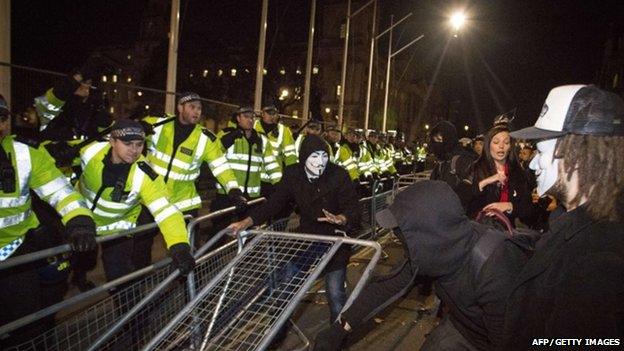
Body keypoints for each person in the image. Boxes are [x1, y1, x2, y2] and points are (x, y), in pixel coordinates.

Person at [312, 181, 538, 351]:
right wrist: (339, 329)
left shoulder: (495, 265)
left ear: (429, 230)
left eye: (402, 229)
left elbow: (510, 340)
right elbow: (386, 287)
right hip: (462, 327)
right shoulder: (431, 250)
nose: (397, 236)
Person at [502, 84, 624, 349]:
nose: (533, 163)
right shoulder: (570, 224)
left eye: (542, 152)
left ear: (579, 155)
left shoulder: (599, 263)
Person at [229, 134, 361, 324]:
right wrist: (247, 222)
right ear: (304, 157)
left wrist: (342, 218)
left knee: (335, 292)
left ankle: (337, 336)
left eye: (324, 156)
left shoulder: (339, 174)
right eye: (314, 156)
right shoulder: (293, 174)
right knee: (287, 282)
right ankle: (275, 329)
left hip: (336, 239)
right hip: (307, 238)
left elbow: (353, 207)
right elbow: (275, 203)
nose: (320, 162)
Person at [0, 96, 97, 347]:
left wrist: (79, 220)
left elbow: (61, 192)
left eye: (0, 119)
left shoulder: (25, 152)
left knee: (27, 329)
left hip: (15, 256)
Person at [74, 119, 195, 282]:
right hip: (82, 225)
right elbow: (51, 159)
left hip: (118, 230)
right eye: (128, 143)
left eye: (139, 144)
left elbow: (165, 210)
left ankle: (124, 306)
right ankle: (79, 278)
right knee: (78, 265)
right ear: (112, 141)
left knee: (121, 281)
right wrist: (53, 148)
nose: (134, 150)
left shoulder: (144, 174)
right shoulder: (89, 152)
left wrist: (180, 246)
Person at [142, 92, 244, 247]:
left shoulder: (205, 138)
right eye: (192, 107)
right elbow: (121, 136)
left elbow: (221, 166)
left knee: (185, 250)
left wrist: (233, 189)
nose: (197, 111)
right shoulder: (158, 125)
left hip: (183, 205)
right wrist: (138, 125)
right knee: (140, 251)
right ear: (179, 107)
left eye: (199, 108)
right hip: (150, 200)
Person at [212, 106, 281, 234]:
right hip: (227, 194)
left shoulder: (261, 140)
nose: (250, 120)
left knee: (250, 234)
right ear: (238, 118)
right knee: (219, 233)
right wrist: (225, 141)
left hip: (252, 197)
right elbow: (213, 156)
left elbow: (272, 164)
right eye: (246, 116)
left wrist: (279, 184)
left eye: (252, 117)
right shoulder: (226, 135)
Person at [468, 124, 533, 224]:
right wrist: (487, 181)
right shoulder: (475, 168)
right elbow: (463, 199)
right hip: (478, 230)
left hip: (506, 232)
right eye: (496, 142)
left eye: (506, 142)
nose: (501, 146)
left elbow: (528, 208)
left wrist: (509, 206)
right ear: (488, 145)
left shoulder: (518, 172)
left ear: (510, 146)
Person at [429, 120, 478, 209]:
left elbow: (468, 193)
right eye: (435, 140)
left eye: (440, 140)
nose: (437, 144)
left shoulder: (463, 160)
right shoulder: (442, 162)